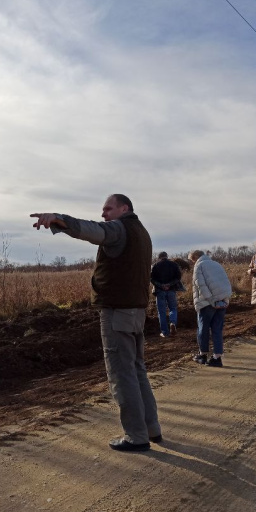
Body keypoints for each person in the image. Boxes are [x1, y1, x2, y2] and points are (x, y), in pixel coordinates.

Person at [30, 194, 161, 452]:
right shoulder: (142, 233)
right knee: (136, 370)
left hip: (117, 313)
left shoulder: (119, 228)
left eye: (108, 209)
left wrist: (60, 220)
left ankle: (136, 436)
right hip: (136, 312)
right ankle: (151, 427)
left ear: (124, 209)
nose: (104, 214)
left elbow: (93, 230)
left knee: (122, 374)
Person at [188, 250, 233, 368]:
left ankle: (202, 355)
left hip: (207, 303)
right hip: (222, 301)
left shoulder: (199, 266)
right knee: (217, 329)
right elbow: (226, 283)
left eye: (192, 260)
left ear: (195, 257)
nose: (193, 263)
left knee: (203, 329)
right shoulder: (217, 264)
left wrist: (211, 300)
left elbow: (201, 285)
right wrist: (225, 299)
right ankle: (217, 358)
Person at [150, 251, 184, 338]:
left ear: (159, 257)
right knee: (173, 308)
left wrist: (161, 285)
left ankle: (165, 332)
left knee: (161, 312)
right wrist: (170, 284)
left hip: (160, 291)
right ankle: (172, 322)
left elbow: (152, 279)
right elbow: (178, 277)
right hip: (171, 290)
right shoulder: (174, 264)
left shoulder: (155, 265)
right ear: (166, 256)